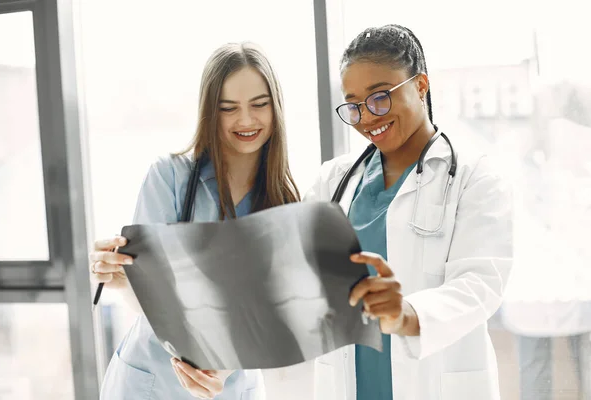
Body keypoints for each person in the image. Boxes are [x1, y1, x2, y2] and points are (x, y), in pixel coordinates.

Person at [302, 24, 513, 400]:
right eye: (353, 106)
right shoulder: (332, 182)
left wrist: (408, 314)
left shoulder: (473, 177)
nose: (367, 117)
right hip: (350, 383)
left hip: (436, 383)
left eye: (380, 97)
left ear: (420, 85)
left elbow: (481, 284)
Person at [89, 42, 300, 400]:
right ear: (209, 112)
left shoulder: (285, 205)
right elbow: (146, 295)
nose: (246, 120)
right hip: (152, 381)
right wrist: (119, 277)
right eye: (228, 108)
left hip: (231, 386)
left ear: (275, 108)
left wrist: (227, 365)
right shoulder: (169, 179)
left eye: (259, 105)